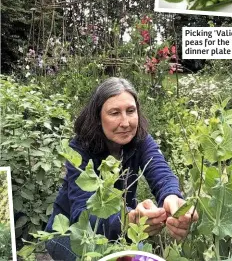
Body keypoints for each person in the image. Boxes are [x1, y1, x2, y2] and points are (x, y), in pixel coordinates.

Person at [45, 77, 198, 260]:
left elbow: (161, 172)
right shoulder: (80, 149)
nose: (125, 123)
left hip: (121, 225)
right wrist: (128, 220)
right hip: (70, 232)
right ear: (97, 117)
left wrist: (172, 198)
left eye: (130, 111)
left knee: (141, 257)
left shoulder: (140, 140)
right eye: (115, 113)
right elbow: (82, 212)